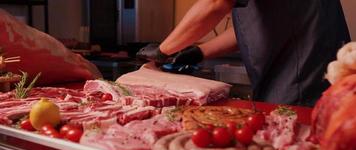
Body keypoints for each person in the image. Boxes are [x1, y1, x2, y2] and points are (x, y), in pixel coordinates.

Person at [137, 0, 350, 106]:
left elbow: (215, 4)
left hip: (303, 78)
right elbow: (260, 25)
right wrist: (200, 51)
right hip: (303, 71)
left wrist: (163, 49)